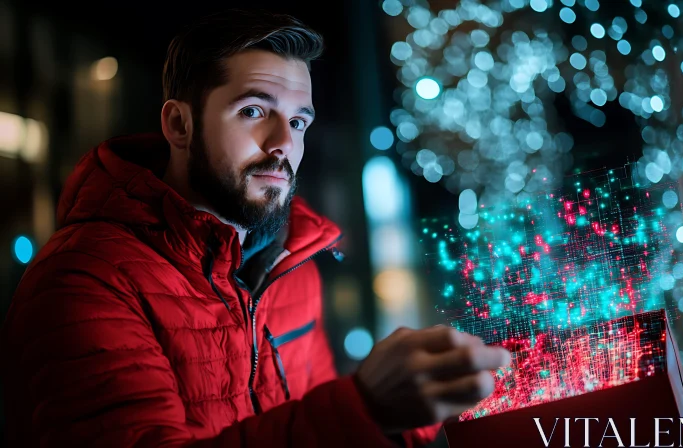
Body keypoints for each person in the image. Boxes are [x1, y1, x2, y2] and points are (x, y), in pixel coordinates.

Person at [1, 9, 511, 447]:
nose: (282, 143)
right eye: (253, 111)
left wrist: (404, 422)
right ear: (179, 125)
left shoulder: (291, 265)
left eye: (298, 122)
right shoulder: (85, 280)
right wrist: (364, 411)